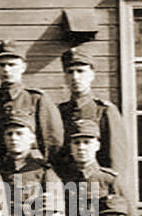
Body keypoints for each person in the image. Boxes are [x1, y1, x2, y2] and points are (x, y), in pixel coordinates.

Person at [56, 47, 130, 188]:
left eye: (81, 71)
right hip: (67, 185)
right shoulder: (60, 112)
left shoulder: (104, 110)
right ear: (65, 77)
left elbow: (116, 160)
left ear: (92, 75)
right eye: (70, 72)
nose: (75, 77)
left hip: (97, 187)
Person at [0, 112, 63, 216]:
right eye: (9, 134)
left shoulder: (43, 171)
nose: (14, 138)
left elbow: (56, 210)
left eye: (19, 134)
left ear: (31, 138)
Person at [0, 40, 63, 164]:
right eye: (2, 65)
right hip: (0, 166)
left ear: (23, 67)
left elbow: (52, 141)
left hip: (31, 166)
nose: (6, 70)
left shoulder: (36, 99)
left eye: (12, 65)